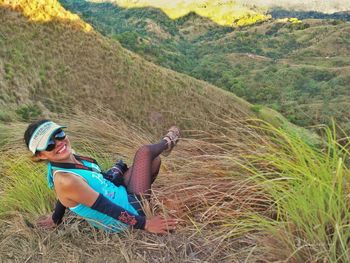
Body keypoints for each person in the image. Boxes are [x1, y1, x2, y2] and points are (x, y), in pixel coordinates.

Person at [24, 119, 180, 234]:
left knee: (153, 160)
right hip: (128, 212)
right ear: (40, 156)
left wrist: (55, 218)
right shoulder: (65, 179)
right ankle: (168, 142)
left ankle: (165, 147)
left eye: (59, 134)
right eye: (49, 144)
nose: (58, 142)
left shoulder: (68, 158)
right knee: (145, 153)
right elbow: (106, 207)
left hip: (118, 192)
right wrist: (145, 224)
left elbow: (65, 196)